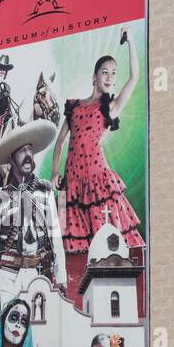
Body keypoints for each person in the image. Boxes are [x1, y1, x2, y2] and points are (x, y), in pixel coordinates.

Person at [50, 30, 143, 296]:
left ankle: (115, 290)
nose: (110, 76)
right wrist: (56, 171)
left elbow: (134, 78)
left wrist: (131, 42)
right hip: (73, 182)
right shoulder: (75, 107)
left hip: (97, 180)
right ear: (94, 76)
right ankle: (77, 293)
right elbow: (60, 142)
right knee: (73, 241)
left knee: (107, 234)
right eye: (105, 71)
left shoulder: (110, 108)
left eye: (113, 73)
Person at [0, 119, 67, 337]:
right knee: (12, 336)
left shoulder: (45, 191)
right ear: (11, 158)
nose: (28, 155)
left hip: (40, 273)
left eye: (30, 149)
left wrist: (62, 279)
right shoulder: (0, 198)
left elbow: (56, 237)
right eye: (21, 151)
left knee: (42, 337)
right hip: (10, 277)